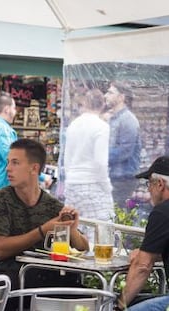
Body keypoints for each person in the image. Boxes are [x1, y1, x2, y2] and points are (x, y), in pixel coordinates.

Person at [0, 138, 89, 311]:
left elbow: (82, 247)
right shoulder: (0, 200)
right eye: (8, 162)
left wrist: (71, 229)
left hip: (46, 280)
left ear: (34, 168)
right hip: (8, 282)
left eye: (15, 163)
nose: (8, 168)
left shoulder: (52, 205)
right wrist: (43, 230)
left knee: (84, 295)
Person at [115, 156, 169, 311]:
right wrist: (151, 253)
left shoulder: (163, 212)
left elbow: (142, 267)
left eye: (149, 184)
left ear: (160, 184)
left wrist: (118, 306)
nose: (149, 189)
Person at [64, 89, 114, 240]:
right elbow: (100, 162)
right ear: (103, 105)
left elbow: (67, 158)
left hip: (72, 183)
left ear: (85, 103)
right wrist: (106, 186)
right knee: (100, 232)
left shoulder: (74, 125)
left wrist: (69, 179)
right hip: (92, 184)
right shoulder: (101, 127)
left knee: (75, 231)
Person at [104, 81, 141, 209]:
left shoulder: (127, 119)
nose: (105, 95)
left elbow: (125, 151)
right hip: (115, 176)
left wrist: (101, 155)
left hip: (123, 178)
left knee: (117, 212)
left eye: (110, 92)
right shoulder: (114, 118)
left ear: (121, 97)